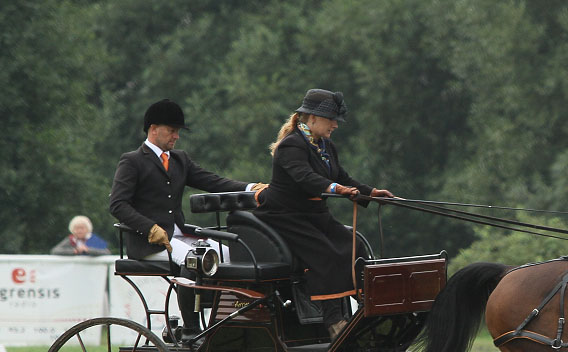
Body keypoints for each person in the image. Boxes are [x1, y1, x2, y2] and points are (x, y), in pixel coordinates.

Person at [109, 98, 267, 338]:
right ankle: (191, 329)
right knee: (195, 260)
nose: (176, 137)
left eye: (177, 132)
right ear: (153, 129)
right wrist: (149, 228)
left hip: (179, 234)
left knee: (227, 254)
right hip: (149, 242)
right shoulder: (132, 161)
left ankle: (222, 318)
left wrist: (250, 187)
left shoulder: (179, 159)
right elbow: (118, 204)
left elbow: (212, 181)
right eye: (172, 131)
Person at [255, 88, 394, 336]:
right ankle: (334, 323)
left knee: (356, 247)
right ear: (312, 118)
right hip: (285, 217)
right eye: (331, 120)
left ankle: (368, 310)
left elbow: (342, 177)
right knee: (327, 254)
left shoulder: (326, 146)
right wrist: (335, 189)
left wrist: (371, 193)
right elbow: (305, 178)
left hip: (315, 215)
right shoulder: (291, 146)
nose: (335, 126)